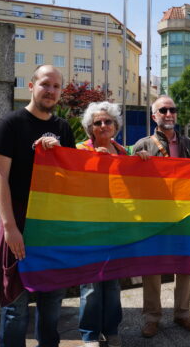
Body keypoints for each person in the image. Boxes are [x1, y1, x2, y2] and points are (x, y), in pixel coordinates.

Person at [0, 65, 76, 347]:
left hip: (52, 227)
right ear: (31, 86)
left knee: (52, 306)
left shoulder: (62, 128)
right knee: (15, 307)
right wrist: (10, 227)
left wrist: (58, 153)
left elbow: (73, 178)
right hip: (19, 222)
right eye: (45, 84)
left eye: (56, 87)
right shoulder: (10, 124)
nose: (50, 91)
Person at [133, 95, 190, 338]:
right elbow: (132, 184)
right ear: (154, 116)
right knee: (152, 267)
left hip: (182, 215)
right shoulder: (142, 145)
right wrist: (137, 163)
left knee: (184, 267)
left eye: (172, 109)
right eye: (163, 110)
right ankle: (152, 317)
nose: (168, 113)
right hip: (154, 217)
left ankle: (182, 314)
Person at [76, 101, 126, 347]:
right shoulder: (79, 151)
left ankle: (112, 330)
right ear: (90, 128)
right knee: (91, 286)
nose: (104, 125)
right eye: (98, 123)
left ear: (115, 125)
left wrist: (143, 161)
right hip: (89, 228)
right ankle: (89, 334)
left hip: (116, 228)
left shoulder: (123, 153)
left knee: (113, 284)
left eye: (108, 121)